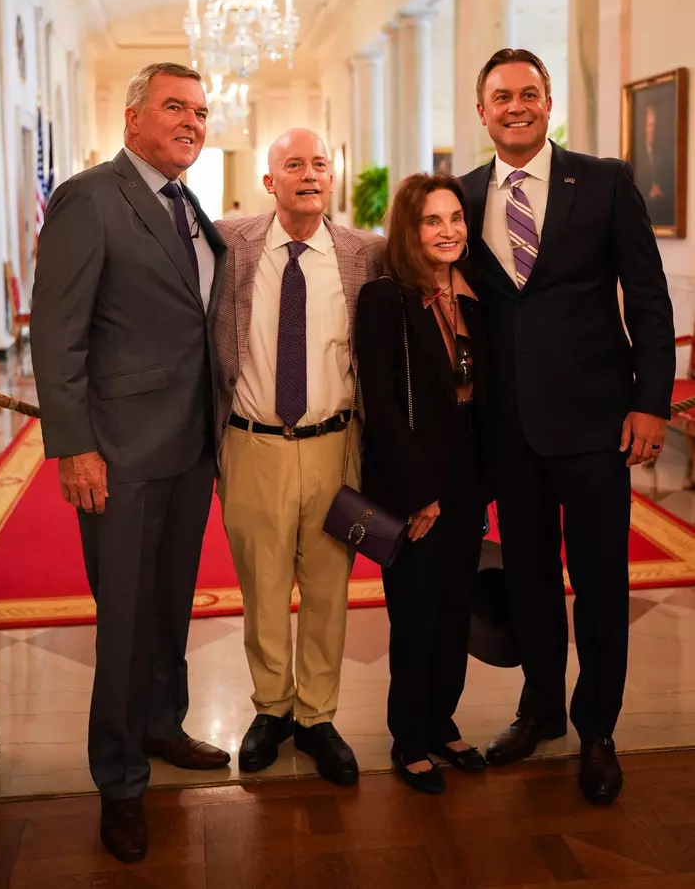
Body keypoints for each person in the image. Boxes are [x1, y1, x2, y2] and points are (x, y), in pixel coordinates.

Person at [461, 48, 675, 806]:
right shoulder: (462, 196)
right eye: (500, 97)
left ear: (547, 105)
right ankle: (540, 709)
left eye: (528, 94)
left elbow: (649, 301)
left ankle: (598, 730)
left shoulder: (605, 181)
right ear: (480, 110)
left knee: (599, 584)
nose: (515, 107)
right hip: (508, 433)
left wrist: (651, 403)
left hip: (595, 426)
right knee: (526, 582)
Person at [30, 62, 230, 864]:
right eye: (176, 107)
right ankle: (118, 781)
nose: (192, 121)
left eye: (202, 111)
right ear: (132, 117)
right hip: (116, 452)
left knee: (170, 607)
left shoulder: (187, 204)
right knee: (123, 622)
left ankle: (160, 725)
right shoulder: (90, 197)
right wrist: (73, 445)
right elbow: (58, 333)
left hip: (188, 450)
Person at [213, 127, 384, 785]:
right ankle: (271, 709)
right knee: (260, 589)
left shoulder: (365, 255)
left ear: (331, 179)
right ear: (269, 182)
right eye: (293, 164)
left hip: (336, 449)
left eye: (319, 164)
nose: (309, 173)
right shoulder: (230, 245)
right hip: (252, 444)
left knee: (328, 590)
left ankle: (317, 715)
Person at [355, 173, 487, 794]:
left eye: (455, 218)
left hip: (466, 479)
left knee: (456, 609)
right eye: (432, 221)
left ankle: (443, 722)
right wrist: (417, 495)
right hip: (415, 485)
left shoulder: (475, 292)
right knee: (415, 615)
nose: (448, 231)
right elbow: (380, 404)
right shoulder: (385, 298)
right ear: (409, 230)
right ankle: (409, 738)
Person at [637, 103, 675, 227]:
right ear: (644, 128)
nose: (653, 130)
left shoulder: (665, 156)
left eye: (655, 126)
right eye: (650, 125)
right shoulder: (636, 155)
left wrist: (661, 192)